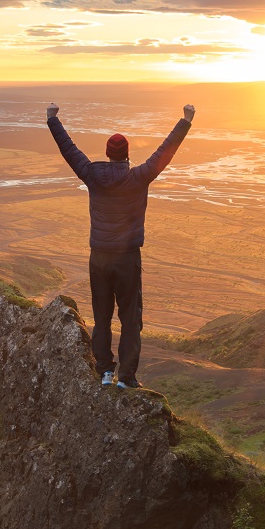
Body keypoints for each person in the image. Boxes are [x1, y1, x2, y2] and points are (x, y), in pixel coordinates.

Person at [46, 102, 195, 389]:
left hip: (99, 257)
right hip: (127, 259)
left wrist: (53, 119)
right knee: (130, 319)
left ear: (107, 153)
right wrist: (185, 121)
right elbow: (166, 152)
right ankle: (126, 376)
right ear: (126, 154)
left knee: (102, 317)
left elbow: (69, 149)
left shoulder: (91, 175)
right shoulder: (138, 177)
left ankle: (104, 372)